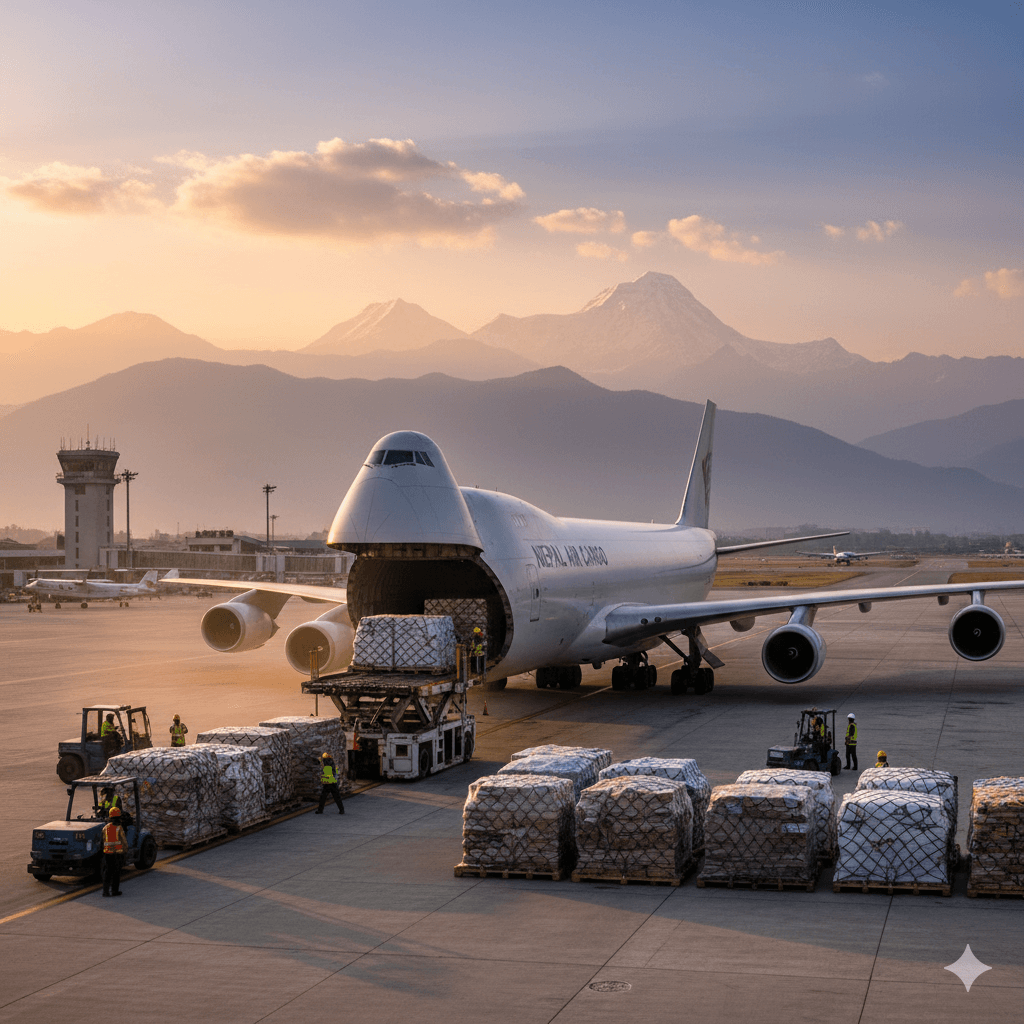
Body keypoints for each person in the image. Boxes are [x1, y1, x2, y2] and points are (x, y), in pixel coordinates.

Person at [101, 806, 127, 897]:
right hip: (117, 854)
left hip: (108, 854)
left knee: (107, 873)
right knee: (116, 873)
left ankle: (105, 891)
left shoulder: (105, 828)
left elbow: (103, 840)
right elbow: (123, 841)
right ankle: (114, 891)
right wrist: (125, 850)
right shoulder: (119, 828)